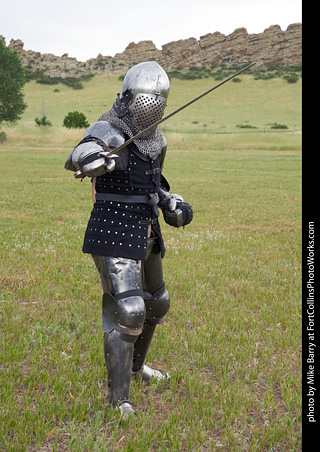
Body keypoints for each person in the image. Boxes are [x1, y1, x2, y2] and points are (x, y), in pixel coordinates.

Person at [65, 61, 193, 420]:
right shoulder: (110, 128)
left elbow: (154, 183)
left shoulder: (157, 139)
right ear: (127, 97)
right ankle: (118, 398)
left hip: (146, 228)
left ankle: (136, 370)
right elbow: (79, 154)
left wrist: (172, 203)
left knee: (158, 303)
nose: (150, 109)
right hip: (113, 228)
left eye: (157, 103)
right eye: (145, 101)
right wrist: (94, 159)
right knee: (130, 310)